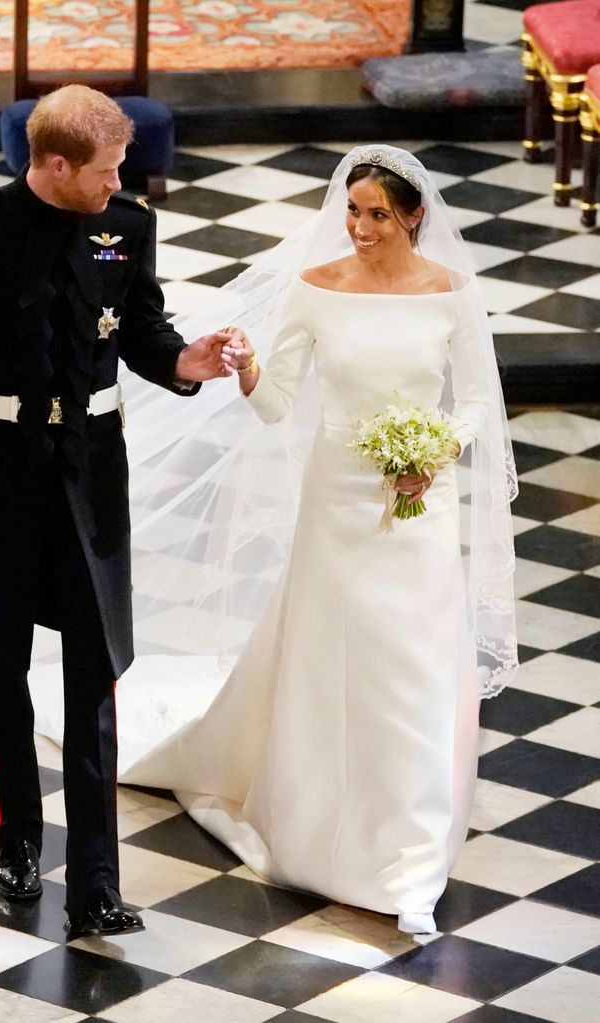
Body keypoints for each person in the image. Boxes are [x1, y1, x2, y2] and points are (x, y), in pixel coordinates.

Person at [111, 145, 518, 936]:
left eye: (376, 215)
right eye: (353, 213)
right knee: (337, 655)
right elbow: (277, 404)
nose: (359, 229)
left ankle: (409, 847)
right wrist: (251, 367)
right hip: (336, 498)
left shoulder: (452, 295)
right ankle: (323, 816)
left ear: (413, 218)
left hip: (418, 502)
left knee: (414, 661)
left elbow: (475, 402)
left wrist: (433, 452)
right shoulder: (316, 289)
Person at [0, 84, 236, 937]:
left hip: (91, 474)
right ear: (54, 163)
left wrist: (186, 362)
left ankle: (97, 882)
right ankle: (17, 844)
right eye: (109, 170)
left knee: (95, 674)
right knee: (1, 664)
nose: (121, 183)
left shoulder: (127, 228)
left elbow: (143, 330)